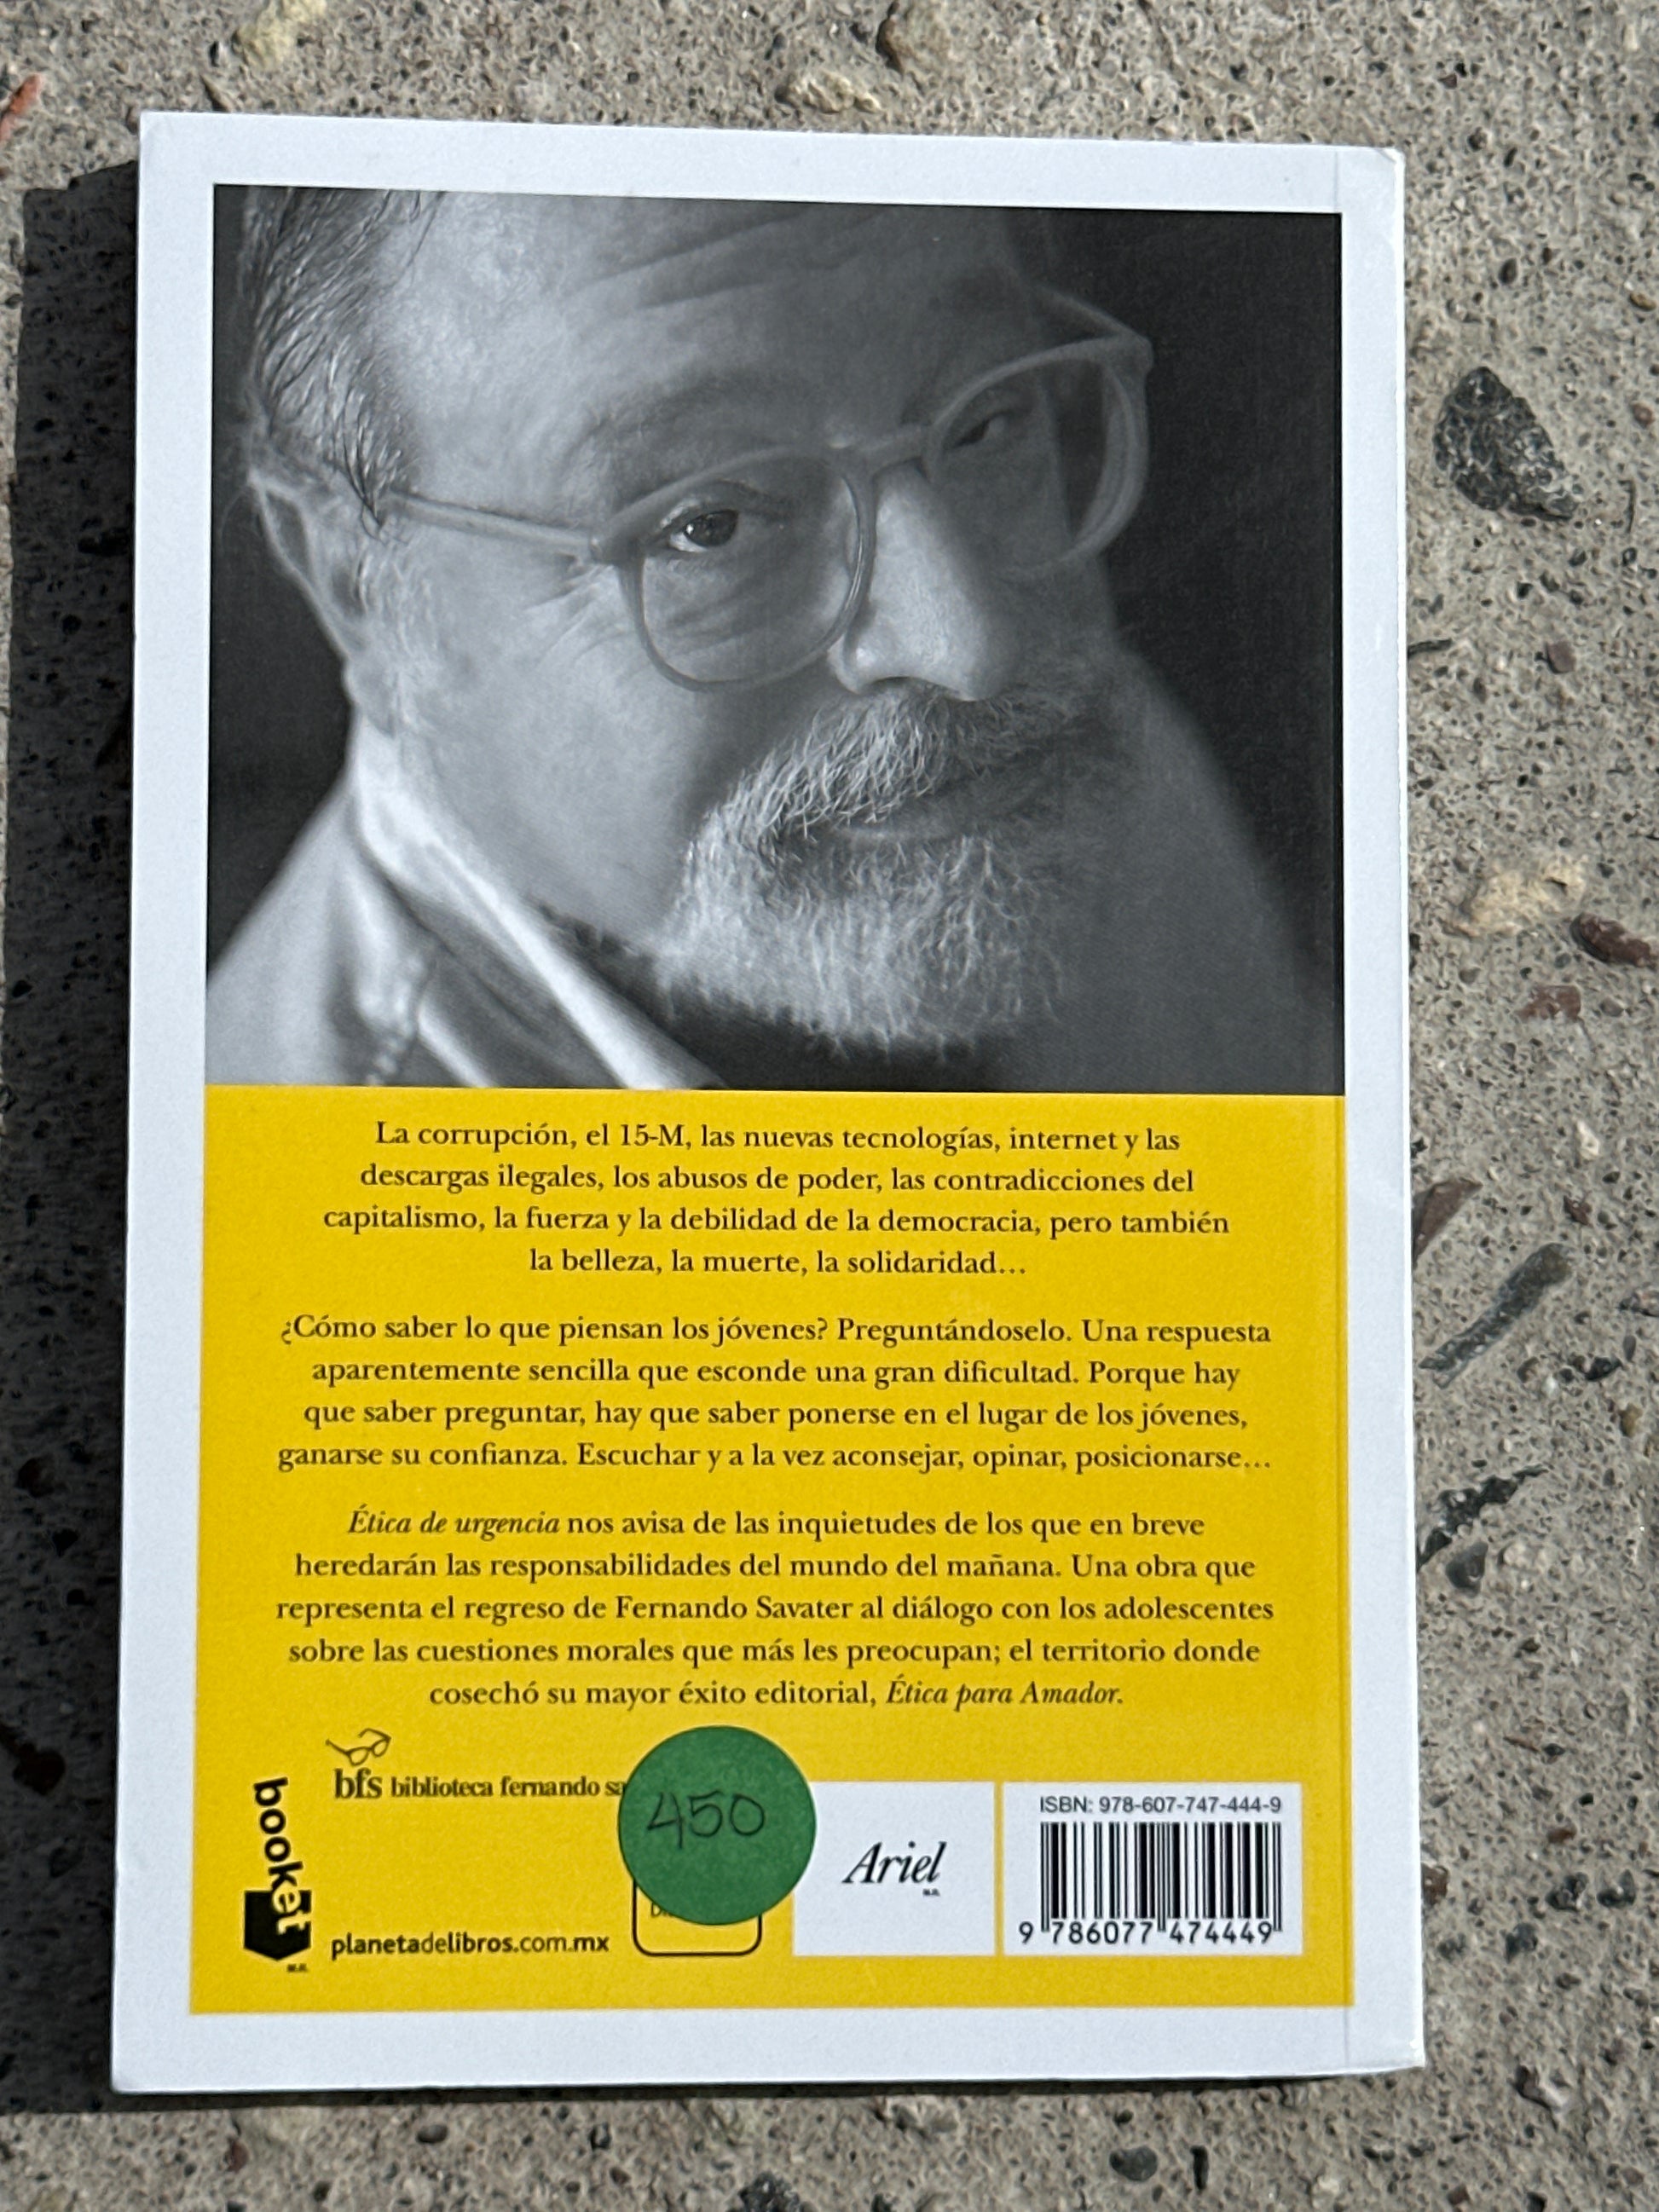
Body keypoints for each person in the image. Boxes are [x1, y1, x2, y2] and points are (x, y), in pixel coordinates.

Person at [207, 188, 1329, 1094]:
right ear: (355, 589)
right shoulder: (303, 1243)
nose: (974, 647)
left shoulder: (1030, 781)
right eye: (711, 525)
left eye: (988, 425)